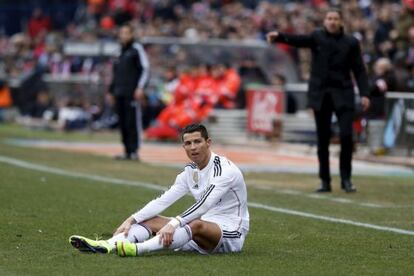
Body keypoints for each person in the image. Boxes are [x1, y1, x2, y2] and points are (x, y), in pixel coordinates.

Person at [69, 124, 249, 256]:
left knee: (195, 223)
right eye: (188, 143)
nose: (193, 147)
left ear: (208, 142)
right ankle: (107, 245)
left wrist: (173, 224)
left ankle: (137, 250)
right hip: (199, 232)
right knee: (150, 219)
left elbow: (204, 205)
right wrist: (131, 219)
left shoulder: (223, 169)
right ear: (183, 147)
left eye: (197, 142)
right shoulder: (190, 171)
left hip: (230, 234)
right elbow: (164, 199)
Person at [266, 8, 370, 193]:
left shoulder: (351, 42)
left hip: (343, 93)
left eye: (335, 18)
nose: (331, 21)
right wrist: (280, 36)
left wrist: (364, 94)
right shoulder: (317, 37)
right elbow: (299, 40)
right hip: (321, 95)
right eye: (329, 18)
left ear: (341, 22)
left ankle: (346, 179)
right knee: (323, 140)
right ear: (324, 21)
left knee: (347, 136)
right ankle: (325, 181)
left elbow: (359, 70)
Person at [108, 24, 150, 160]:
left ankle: (134, 151)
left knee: (132, 121)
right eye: (122, 33)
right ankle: (126, 150)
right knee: (123, 122)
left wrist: (140, 88)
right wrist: (111, 91)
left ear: (132, 34)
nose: (124, 35)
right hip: (119, 92)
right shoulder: (118, 52)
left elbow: (145, 69)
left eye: (126, 33)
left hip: (132, 92)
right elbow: (114, 74)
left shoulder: (137, 49)